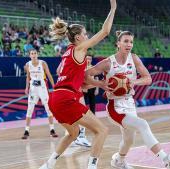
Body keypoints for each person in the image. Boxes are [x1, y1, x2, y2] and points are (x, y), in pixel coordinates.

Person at [39, 0, 116, 168]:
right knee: (102, 131)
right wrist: (113, 8)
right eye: (86, 34)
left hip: (55, 98)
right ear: (79, 37)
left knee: (73, 133)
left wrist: (98, 84)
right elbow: (105, 31)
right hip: (66, 98)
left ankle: (48, 165)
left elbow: (62, 72)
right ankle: (92, 166)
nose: (87, 36)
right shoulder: (79, 49)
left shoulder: (68, 52)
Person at [85, 31, 170, 169]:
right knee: (143, 125)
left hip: (130, 104)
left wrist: (133, 81)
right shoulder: (107, 63)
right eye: (126, 41)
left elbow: (148, 78)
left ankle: (119, 160)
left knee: (129, 140)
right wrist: (101, 84)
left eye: (131, 42)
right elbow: (86, 75)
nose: (129, 44)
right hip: (115, 107)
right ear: (118, 43)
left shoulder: (134, 59)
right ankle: (166, 160)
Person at [22, 48, 58, 139]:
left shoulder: (43, 63)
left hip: (42, 87)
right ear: (29, 55)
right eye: (32, 53)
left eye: (35, 53)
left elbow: (49, 74)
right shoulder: (27, 65)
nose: (33, 55)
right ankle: (26, 131)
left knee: (48, 108)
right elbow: (28, 77)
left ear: (37, 54)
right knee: (30, 109)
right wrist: (27, 87)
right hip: (33, 88)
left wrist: (54, 86)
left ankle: (52, 130)